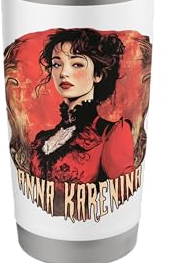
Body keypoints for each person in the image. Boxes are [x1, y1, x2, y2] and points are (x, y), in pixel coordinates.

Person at [30, 28, 135, 184]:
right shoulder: (42, 138)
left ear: (97, 74)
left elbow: (124, 193)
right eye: (57, 64)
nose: (63, 73)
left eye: (77, 64)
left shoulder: (109, 133)